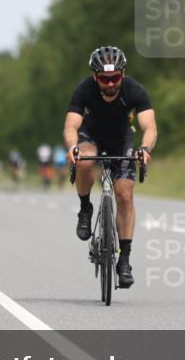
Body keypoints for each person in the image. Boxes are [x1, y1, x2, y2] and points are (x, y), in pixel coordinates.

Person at [64, 46, 157, 289]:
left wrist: (145, 150)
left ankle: (124, 260)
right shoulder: (84, 89)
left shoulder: (134, 90)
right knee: (85, 159)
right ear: (96, 77)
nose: (110, 84)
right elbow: (71, 125)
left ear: (122, 74)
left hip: (121, 140)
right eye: (104, 79)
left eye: (115, 78)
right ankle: (85, 209)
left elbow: (149, 126)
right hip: (91, 136)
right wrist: (73, 147)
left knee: (125, 194)